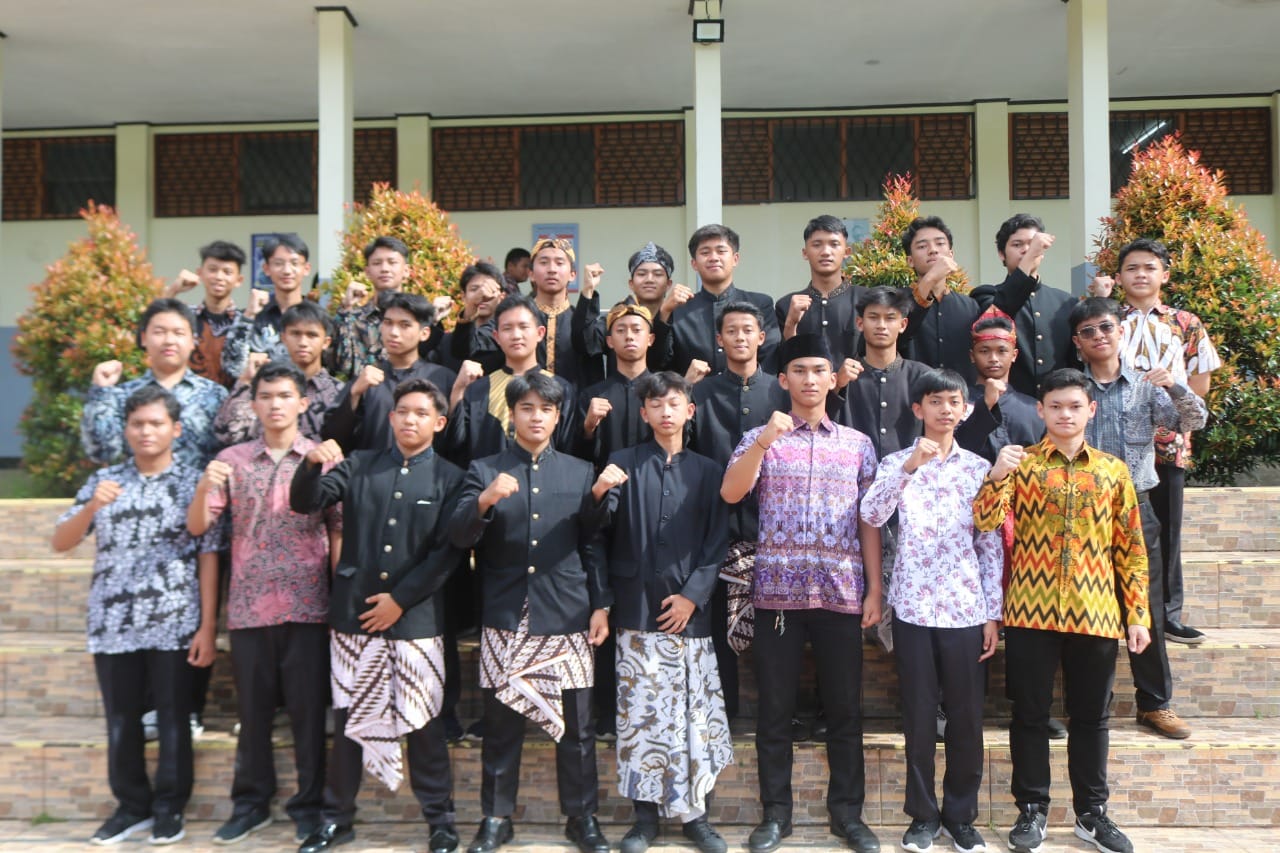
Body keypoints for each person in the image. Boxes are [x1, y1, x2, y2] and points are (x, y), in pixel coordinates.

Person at [974, 368, 1153, 853]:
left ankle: (1092, 813)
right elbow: (985, 521)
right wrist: (997, 474)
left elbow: (1131, 549)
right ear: (1041, 410)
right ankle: (1031, 810)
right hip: (1030, 612)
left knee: (1091, 717)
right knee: (1029, 715)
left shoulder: (1113, 471)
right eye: (1055, 406)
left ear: (1091, 410)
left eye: (1075, 406)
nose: (1065, 415)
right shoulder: (1023, 464)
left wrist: (1137, 614)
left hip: (1096, 612)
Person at [290, 378, 467, 853]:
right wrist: (310, 464)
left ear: (439, 423)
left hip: (416, 620)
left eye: (421, 413)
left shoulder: (452, 478)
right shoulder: (360, 464)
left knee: (424, 723)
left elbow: (447, 554)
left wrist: (400, 600)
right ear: (390, 418)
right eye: (402, 411)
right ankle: (336, 819)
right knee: (350, 718)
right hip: (355, 615)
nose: (410, 420)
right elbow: (305, 502)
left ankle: (440, 821)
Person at [721, 334, 883, 853]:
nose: (810, 379)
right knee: (774, 711)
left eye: (819, 370)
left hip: (841, 593)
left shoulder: (857, 444)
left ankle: (848, 815)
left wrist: (875, 588)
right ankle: (776, 815)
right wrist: (765, 441)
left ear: (833, 379)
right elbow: (731, 492)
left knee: (845, 710)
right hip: (777, 595)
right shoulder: (761, 436)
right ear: (783, 379)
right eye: (799, 370)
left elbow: (870, 522)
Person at [448, 372, 612, 853]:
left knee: (578, 729)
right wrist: (485, 500)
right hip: (506, 613)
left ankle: (582, 818)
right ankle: (496, 818)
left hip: (568, 613)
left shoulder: (580, 472)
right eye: (527, 408)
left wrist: (601, 605)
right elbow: (457, 536)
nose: (536, 416)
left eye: (546, 409)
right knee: (501, 727)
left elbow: (592, 545)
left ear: (558, 417)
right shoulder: (484, 470)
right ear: (512, 415)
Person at [54, 386, 220, 846]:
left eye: (156, 423)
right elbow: (60, 541)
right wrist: (92, 506)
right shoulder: (105, 480)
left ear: (176, 429)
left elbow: (208, 551)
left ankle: (170, 808)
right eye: (137, 424)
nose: (146, 431)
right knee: (121, 720)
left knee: (173, 719)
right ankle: (131, 807)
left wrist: (207, 626)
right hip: (113, 624)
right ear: (126, 430)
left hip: (173, 621)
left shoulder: (194, 481)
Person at [187, 362, 340, 845]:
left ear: (303, 403)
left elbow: (338, 530)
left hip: (309, 605)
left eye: (285, 395)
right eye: (266, 396)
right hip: (249, 607)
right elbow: (198, 527)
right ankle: (251, 804)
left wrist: (341, 602)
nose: (276, 404)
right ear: (253, 404)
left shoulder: (321, 457)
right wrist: (203, 486)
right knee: (252, 716)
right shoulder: (231, 461)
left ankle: (309, 807)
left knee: (308, 716)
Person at [860, 368, 1002, 853]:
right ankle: (922, 816)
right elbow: (871, 514)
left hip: (965, 609)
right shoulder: (896, 462)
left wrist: (992, 613)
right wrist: (908, 469)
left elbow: (989, 544)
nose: (945, 409)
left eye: (953, 402)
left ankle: (961, 816)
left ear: (965, 410)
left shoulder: (980, 469)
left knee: (966, 718)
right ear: (918, 409)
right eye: (935, 401)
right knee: (918, 717)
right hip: (913, 608)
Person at [590, 372, 732, 853]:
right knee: (640, 718)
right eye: (656, 404)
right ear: (644, 413)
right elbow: (596, 533)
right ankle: (644, 818)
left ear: (689, 411)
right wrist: (598, 493)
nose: (665, 412)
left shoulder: (709, 471)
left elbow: (717, 541)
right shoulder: (622, 463)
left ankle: (696, 816)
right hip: (636, 609)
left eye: (674, 403)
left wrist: (694, 595)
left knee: (693, 716)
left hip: (689, 614)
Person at [1071, 297, 1207, 741]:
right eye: (1088, 331)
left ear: (1121, 331)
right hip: (1080, 515)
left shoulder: (1147, 387)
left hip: (1136, 508)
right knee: (1087, 610)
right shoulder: (1071, 390)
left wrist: (1175, 385)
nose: (1099, 336)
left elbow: (1194, 420)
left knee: (1145, 608)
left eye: (1106, 327)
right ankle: (1090, 707)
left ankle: (1155, 704)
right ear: (1077, 341)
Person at [1089, 238, 1223, 644]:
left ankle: (1167, 614)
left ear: (1165, 274)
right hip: (1114, 442)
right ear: (1119, 277)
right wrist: (1099, 299)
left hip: (1167, 441)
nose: (1141, 274)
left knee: (1166, 529)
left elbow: (1200, 383)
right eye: (1132, 268)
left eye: (1150, 267)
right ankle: (1113, 610)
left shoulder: (1185, 323)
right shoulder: (1107, 318)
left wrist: (1174, 411)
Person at [689, 302, 789, 724]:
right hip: (715, 523)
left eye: (748, 329)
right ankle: (722, 716)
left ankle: (780, 717)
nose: (740, 337)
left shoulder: (781, 392)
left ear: (762, 337)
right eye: (731, 330)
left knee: (776, 629)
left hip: (772, 526)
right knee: (716, 629)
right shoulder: (700, 394)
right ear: (719, 339)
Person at [82, 298, 228, 471]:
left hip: (200, 487)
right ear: (144, 338)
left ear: (193, 341)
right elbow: (101, 452)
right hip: (138, 486)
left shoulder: (214, 395)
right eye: (159, 332)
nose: (169, 340)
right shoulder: (124, 394)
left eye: (178, 333)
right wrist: (100, 393)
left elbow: (229, 453)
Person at [443, 294, 578, 465]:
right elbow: (455, 445)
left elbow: (567, 448)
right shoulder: (479, 390)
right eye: (507, 328)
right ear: (497, 337)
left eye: (523, 327)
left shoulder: (560, 388)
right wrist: (458, 390)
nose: (516, 335)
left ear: (540, 333)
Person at [323, 292, 460, 453]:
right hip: (369, 467)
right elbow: (333, 438)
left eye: (404, 325)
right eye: (388, 323)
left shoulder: (442, 379)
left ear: (424, 333)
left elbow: (455, 441)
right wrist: (354, 395)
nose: (393, 332)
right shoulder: (366, 379)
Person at [654, 224, 781, 376]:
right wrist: (664, 313)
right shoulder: (679, 309)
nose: (714, 258)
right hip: (694, 391)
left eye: (721, 251)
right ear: (694, 264)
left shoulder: (760, 303)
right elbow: (658, 363)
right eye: (705, 252)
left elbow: (771, 359)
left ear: (735, 259)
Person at [968, 214, 1074, 396]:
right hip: (1008, 402)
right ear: (1002, 254)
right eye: (1017, 245)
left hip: (1056, 404)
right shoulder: (985, 295)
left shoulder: (1066, 302)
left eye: (1032, 244)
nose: (1026, 250)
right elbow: (999, 312)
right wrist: (1030, 256)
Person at [213, 301, 344, 446]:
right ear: (283, 338)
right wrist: (244, 382)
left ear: (326, 342)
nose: (303, 342)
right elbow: (227, 434)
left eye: (312, 335)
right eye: (295, 334)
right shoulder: (264, 387)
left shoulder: (339, 393)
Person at [838, 287, 929, 460]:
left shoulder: (922, 376)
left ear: (903, 325)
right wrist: (837, 387)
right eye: (873, 317)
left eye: (890, 318)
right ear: (860, 323)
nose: (881, 325)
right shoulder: (844, 376)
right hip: (853, 473)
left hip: (908, 473)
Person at [776, 215, 867, 370]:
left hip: (856, 385)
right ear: (805, 253)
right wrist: (791, 324)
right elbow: (781, 364)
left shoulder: (866, 300)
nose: (825, 252)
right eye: (817, 245)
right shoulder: (786, 305)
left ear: (847, 252)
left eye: (834, 244)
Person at [572, 242, 675, 376]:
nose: (649, 279)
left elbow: (659, 361)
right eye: (642, 274)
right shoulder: (618, 316)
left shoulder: (680, 316)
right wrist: (588, 290)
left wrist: (664, 315)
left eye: (658, 274)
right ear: (631, 284)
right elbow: (585, 343)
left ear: (668, 284)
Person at [575, 303, 656, 472]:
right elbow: (579, 458)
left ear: (650, 339)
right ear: (610, 341)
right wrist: (588, 428)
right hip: (607, 484)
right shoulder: (593, 396)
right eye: (621, 330)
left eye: (636, 330)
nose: (629, 336)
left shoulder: (663, 392)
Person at [221, 233, 311, 380]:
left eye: (294, 263)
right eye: (278, 263)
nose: (287, 270)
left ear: (306, 268)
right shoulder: (254, 316)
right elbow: (232, 367)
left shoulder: (316, 317)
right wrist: (249, 315)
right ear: (266, 268)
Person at [961, 309, 1043, 464]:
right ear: (972, 356)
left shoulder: (1034, 409)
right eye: (984, 351)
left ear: (1014, 355)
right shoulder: (957, 404)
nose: (993, 358)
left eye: (1001, 351)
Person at [331, 236, 417, 380]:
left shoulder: (418, 316)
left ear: (406, 270)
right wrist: (345, 309)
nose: (385, 269)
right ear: (367, 271)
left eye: (392, 262)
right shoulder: (354, 318)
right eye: (377, 263)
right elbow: (340, 365)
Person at [164, 240, 247, 388]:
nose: (219, 277)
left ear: (239, 280)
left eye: (227, 272)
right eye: (212, 270)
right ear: (200, 273)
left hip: (236, 400)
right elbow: (151, 326)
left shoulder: (246, 322)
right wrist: (173, 290)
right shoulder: (185, 318)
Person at [434, 262, 504, 373]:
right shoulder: (447, 341)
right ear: (463, 296)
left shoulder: (505, 338)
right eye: (474, 289)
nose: (482, 295)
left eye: (489, 289)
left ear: (501, 296)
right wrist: (432, 319)